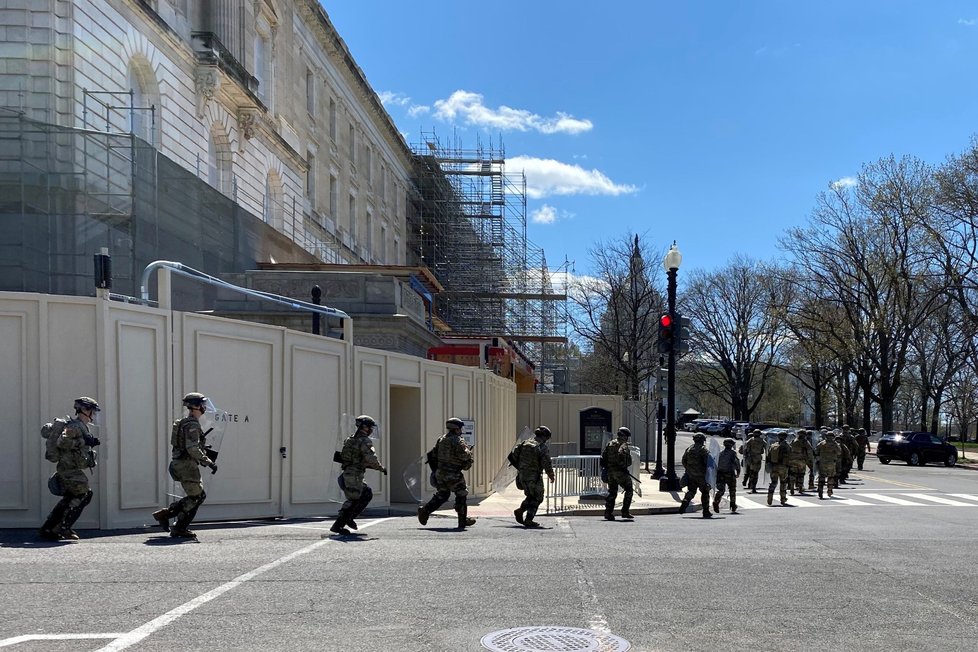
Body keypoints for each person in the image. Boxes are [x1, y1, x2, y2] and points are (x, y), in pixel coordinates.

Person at [152, 393, 218, 539]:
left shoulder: (184, 422)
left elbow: (186, 445)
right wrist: (209, 462)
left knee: (196, 496)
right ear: (196, 406)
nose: (205, 407)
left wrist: (203, 447)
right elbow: (192, 448)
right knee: (197, 497)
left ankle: (168, 516)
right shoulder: (193, 424)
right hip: (186, 465)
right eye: (202, 404)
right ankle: (176, 525)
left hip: (180, 464)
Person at [39, 397, 101, 540]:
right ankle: (62, 528)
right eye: (92, 411)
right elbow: (62, 442)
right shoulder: (74, 426)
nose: (94, 415)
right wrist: (84, 441)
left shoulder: (82, 426)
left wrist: (88, 442)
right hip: (68, 469)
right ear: (84, 410)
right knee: (84, 494)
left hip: (71, 468)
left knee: (72, 497)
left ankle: (49, 528)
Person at [330, 414, 387, 535]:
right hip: (354, 476)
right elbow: (371, 458)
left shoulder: (350, 439)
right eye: (370, 427)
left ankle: (349, 518)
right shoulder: (364, 441)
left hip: (350, 474)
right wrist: (382, 468)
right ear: (365, 427)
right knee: (354, 500)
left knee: (366, 493)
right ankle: (338, 525)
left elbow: (348, 457)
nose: (371, 430)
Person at [418, 417, 475, 530]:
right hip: (453, 473)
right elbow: (464, 456)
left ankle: (425, 510)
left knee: (443, 494)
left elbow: (434, 455)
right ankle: (462, 520)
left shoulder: (441, 439)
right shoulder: (458, 440)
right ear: (456, 429)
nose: (461, 430)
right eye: (460, 428)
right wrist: (469, 452)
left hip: (440, 473)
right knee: (461, 493)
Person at [512, 426, 556, 528]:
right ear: (544, 437)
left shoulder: (524, 443)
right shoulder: (541, 447)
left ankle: (524, 515)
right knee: (538, 497)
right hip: (534, 477)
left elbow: (514, 456)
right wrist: (551, 475)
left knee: (531, 496)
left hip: (522, 476)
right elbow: (546, 463)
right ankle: (525, 515)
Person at [601, 427, 636, 521]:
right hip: (620, 472)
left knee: (612, 492)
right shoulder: (623, 446)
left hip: (610, 472)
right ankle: (625, 511)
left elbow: (603, 457)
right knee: (629, 489)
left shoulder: (610, 443)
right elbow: (626, 461)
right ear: (624, 436)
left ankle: (608, 512)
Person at [679, 433, 712, 518]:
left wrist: (689, 469)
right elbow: (708, 463)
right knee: (705, 492)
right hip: (701, 476)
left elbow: (684, 460)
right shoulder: (703, 450)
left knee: (691, 491)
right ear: (702, 440)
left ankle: (686, 501)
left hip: (691, 475)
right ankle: (706, 511)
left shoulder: (689, 449)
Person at [712, 438, 741, 514]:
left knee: (721, 490)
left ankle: (716, 501)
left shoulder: (720, 454)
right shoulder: (732, 453)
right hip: (730, 473)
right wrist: (738, 472)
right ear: (731, 445)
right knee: (732, 489)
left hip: (720, 474)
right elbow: (736, 463)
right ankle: (733, 505)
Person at [767, 431, 791, 506]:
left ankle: (770, 497)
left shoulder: (773, 445)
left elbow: (768, 456)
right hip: (783, 467)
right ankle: (783, 499)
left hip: (774, 466)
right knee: (783, 483)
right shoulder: (787, 446)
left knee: (773, 482)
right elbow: (790, 456)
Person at [815, 431, 841, 499]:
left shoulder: (822, 443)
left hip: (822, 462)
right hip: (831, 463)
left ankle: (820, 489)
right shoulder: (835, 444)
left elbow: (816, 451)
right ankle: (829, 490)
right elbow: (839, 452)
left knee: (822, 476)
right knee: (831, 477)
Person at [788, 430, 814, 495]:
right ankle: (800, 488)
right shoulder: (805, 442)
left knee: (793, 474)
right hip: (801, 460)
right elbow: (809, 451)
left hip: (793, 460)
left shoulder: (793, 441)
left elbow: (789, 449)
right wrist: (810, 460)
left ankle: (791, 486)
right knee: (801, 474)